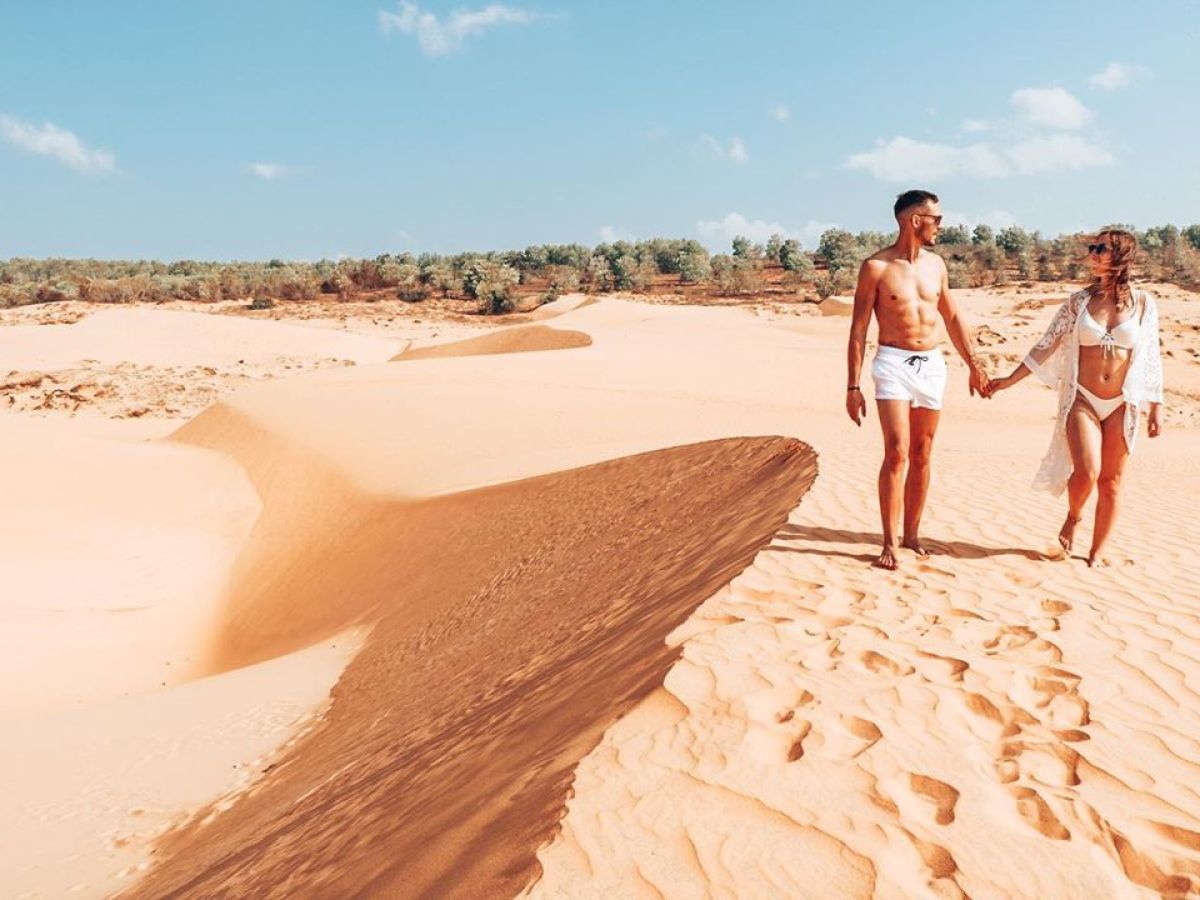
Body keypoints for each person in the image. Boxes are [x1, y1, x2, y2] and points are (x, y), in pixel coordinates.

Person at [988, 228, 1163, 566]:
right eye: (1092, 248)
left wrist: (1156, 405)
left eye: (1102, 248)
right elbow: (1046, 345)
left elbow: (1152, 354)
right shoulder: (1079, 302)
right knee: (1087, 472)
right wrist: (1009, 380)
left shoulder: (1143, 303)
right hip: (1082, 398)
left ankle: (1096, 552)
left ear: (1121, 255)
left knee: (1111, 482)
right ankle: (1075, 513)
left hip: (1122, 402)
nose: (1093, 254)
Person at [846, 189, 990, 570]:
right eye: (936, 219)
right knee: (896, 451)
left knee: (922, 454)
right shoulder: (875, 267)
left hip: (931, 363)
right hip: (892, 361)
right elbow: (859, 329)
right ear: (914, 220)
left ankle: (911, 534)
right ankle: (889, 541)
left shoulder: (936, 265)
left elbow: (953, 316)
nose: (941, 225)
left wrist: (974, 364)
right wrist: (853, 386)